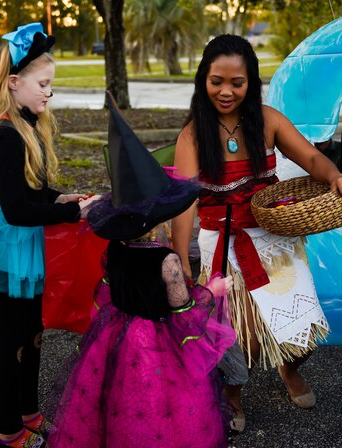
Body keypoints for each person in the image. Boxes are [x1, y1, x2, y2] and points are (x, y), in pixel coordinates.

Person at [171, 34, 342, 431]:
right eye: (216, 81)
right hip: (222, 243)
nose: (226, 91)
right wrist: (179, 261)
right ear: (203, 80)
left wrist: (335, 176)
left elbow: (310, 157)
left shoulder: (268, 119)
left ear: (250, 81)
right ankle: (232, 394)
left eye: (237, 83)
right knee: (242, 337)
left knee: (304, 328)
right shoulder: (192, 135)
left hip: (273, 234)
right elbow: (185, 202)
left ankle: (289, 368)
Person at [48, 93, 236, 448]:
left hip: (114, 339)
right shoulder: (165, 261)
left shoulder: (114, 251)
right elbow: (183, 315)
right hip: (155, 346)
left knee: (117, 402)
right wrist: (214, 290)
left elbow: (104, 294)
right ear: (156, 221)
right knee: (158, 407)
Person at [0, 23, 91, 448]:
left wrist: (61, 198)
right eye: (43, 84)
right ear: (14, 83)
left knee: (33, 331)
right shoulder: (6, 136)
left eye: (51, 85)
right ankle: (8, 431)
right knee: (11, 338)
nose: (49, 92)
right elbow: (14, 208)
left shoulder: (28, 125)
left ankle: (28, 412)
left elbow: (32, 192)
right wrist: (71, 215)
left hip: (21, 241)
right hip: (5, 244)